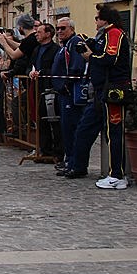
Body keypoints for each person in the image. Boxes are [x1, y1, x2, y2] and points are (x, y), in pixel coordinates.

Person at [66, 4, 132, 190]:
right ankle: (89, 168)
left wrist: (90, 56)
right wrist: (88, 45)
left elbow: (110, 58)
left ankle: (117, 175)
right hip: (102, 91)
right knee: (92, 129)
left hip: (114, 91)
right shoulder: (104, 35)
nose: (95, 21)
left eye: (97, 18)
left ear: (105, 19)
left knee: (114, 132)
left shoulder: (114, 33)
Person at [51, 17, 87, 176]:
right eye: (58, 28)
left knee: (72, 129)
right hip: (64, 93)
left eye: (63, 28)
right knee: (66, 130)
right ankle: (70, 162)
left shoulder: (75, 43)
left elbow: (77, 67)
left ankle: (75, 164)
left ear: (71, 29)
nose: (59, 31)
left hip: (71, 94)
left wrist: (66, 85)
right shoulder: (65, 45)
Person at [29, 23, 61, 159]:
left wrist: (42, 72)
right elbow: (31, 65)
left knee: (53, 120)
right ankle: (45, 149)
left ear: (48, 34)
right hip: (38, 87)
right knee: (41, 119)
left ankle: (57, 151)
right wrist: (31, 72)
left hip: (50, 88)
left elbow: (56, 69)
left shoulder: (56, 50)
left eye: (40, 32)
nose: (36, 34)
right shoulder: (37, 49)